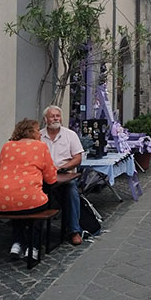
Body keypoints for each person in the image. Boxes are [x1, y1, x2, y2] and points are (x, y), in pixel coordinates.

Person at [0, 118, 57, 260]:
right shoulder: (40, 147)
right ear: (31, 132)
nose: (40, 134)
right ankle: (33, 247)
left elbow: (1, 170)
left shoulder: (7, 146)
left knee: (16, 201)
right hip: (29, 201)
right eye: (38, 131)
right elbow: (51, 178)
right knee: (37, 203)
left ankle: (17, 243)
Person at [41, 105, 85, 246]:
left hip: (65, 176)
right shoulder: (38, 136)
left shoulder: (70, 135)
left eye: (57, 116)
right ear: (45, 119)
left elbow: (77, 158)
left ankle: (74, 231)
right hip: (43, 177)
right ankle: (30, 231)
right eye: (52, 116)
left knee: (71, 191)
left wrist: (63, 167)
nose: (55, 118)